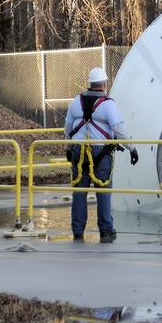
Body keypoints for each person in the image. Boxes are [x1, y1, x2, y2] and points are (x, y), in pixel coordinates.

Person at [63, 66, 138, 243]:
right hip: (100, 153)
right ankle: (105, 230)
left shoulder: (76, 101)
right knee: (103, 192)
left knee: (79, 192)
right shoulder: (108, 104)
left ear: (90, 83)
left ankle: (78, 231)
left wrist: (68, 148)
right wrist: (132, 149)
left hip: (78, 151)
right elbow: (119, 129)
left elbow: (68, 127)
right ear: (104, 84)